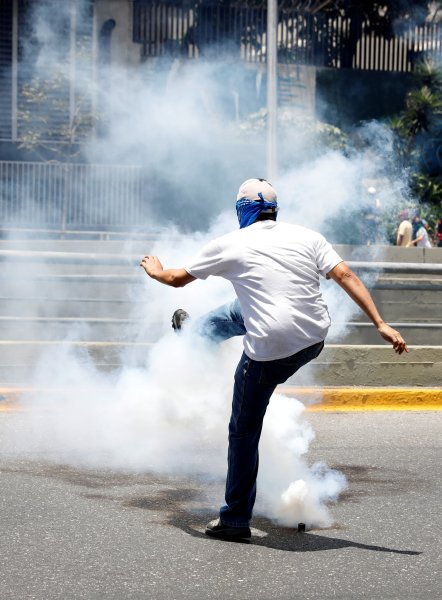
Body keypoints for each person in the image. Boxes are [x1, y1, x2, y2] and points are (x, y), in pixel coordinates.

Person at [140, 178, 408, 541]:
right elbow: (345, 274)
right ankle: (197, 335)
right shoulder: (307, 236)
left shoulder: (231, 243)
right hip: (313, 339)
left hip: (268, 353)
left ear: (242, 210)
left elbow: (174, 279)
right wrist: (380, 322)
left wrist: (155, 268)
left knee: (243, 429)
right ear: (273, 210)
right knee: (240, 311)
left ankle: (235, 519)